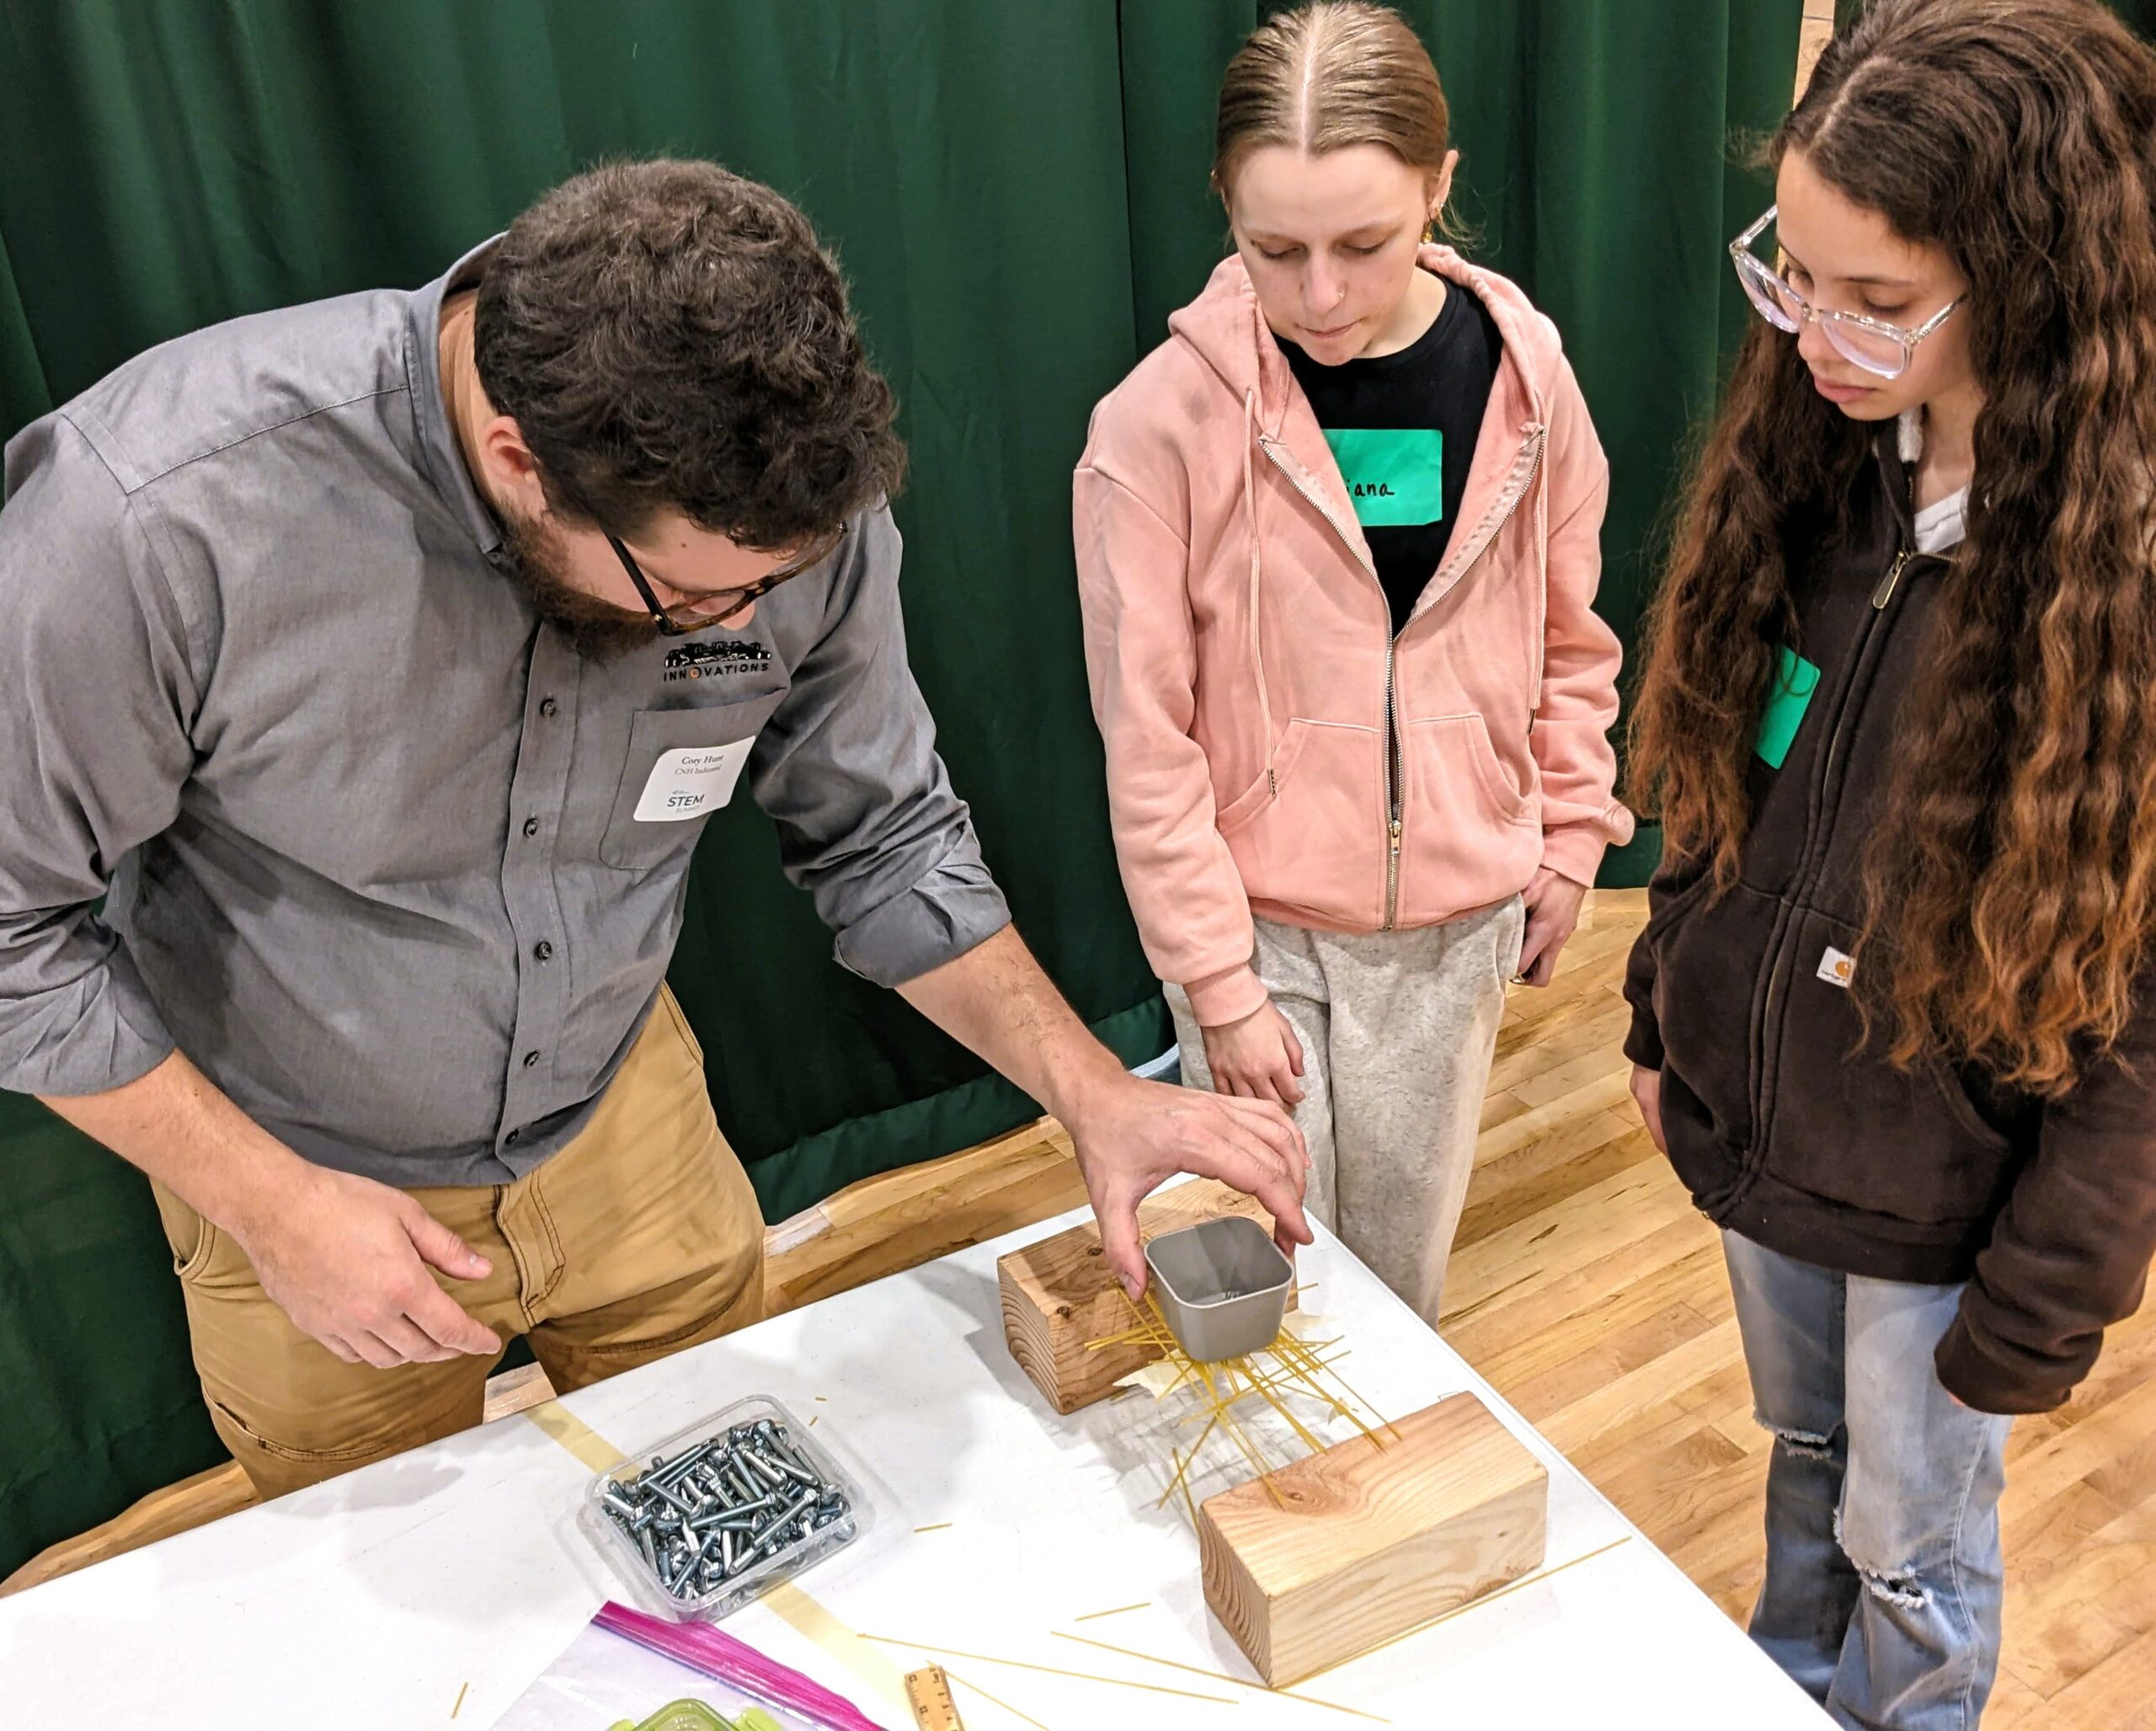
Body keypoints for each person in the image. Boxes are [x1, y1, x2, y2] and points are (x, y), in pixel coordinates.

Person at [0, 158, 1310, 1497]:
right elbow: (10, 934)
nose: (746, 629)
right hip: (296, 1161)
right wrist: (274, 1207)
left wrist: (1094, 1094)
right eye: (695, 599)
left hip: (626, 1114)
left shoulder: (783, 507)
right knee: (419, 1604)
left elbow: (886, 838)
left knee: (734, 1517)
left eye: (773, 586)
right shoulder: (155, 516)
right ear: (522, 464)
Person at [1625, 2, 2156, 1722]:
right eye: (1790, 276)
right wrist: (1661, 1012)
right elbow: (1723, 771)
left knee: (1909, 1541)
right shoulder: (1820, 458)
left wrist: (2045, 1289)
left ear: (2026, 279)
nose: (1812, 335)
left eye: (1874, 302)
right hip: (1777, 1146)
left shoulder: (2112, 575)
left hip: (1949, 1212)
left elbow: (2137, 1028)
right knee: (1803, 1466)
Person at [1072, 1, 1631, 1325]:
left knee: (1399, 1285)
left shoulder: (1526, 379)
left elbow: (1572, 635)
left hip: (1456, 924)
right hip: (1257, 932)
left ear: (1441, 188)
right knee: (1274, 1277)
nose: (1320, 297)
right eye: (1276, 249)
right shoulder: (1155, 429)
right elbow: (1146, 745)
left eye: (1366, 245)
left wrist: (1567, 834)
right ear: (1222, 208)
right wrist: (1216, 983)